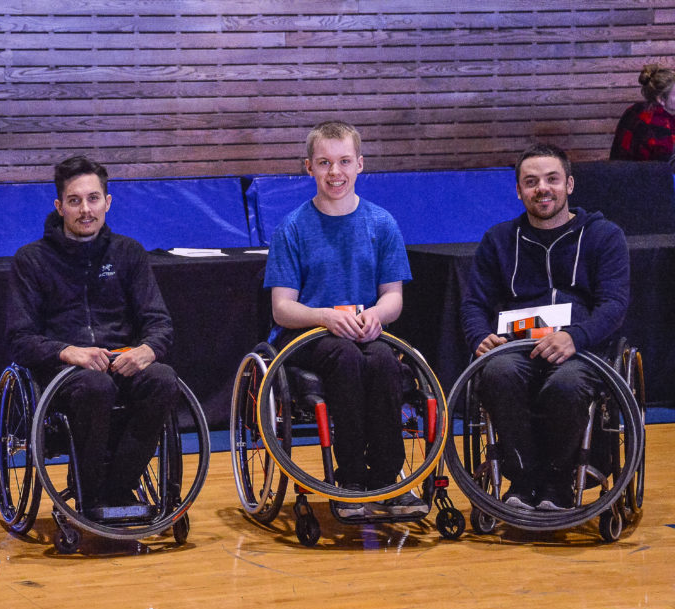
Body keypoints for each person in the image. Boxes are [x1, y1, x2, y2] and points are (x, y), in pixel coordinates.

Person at [263, 120, 424, 518]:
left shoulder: (381, 223)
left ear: (360, 165)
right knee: (345, 357)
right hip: (308, 337)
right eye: (324, 163)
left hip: (364, 333)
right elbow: (282, 308)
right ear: (309, 168)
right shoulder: (293, 227)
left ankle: (389, 479)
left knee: (385, 361)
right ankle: (350, 477)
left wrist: (375, 316)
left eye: (344, 162)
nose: (335, 172)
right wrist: (325, 317)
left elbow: (393, 298)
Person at [460, 143, 630, 510]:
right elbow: (474, 303)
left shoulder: (604, 236)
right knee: (498, 373)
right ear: (519, 190)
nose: (542, 188)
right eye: (531, 181)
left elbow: (614, 305)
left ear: (569, 184)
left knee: (567, 385)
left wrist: (575, 337)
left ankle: (556, 482)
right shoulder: (498, 240)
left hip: (579, 349)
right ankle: (523, 479)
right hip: (517, 346)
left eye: (552, 179)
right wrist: (478, 336)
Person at [6, 155, 178, 516]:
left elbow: (160, 322)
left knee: (163, 379)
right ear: (59, 206)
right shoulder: (31, 260)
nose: (86, 210)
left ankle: (116, 490)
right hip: (65, 373)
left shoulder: (128, 252)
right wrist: (69, 352)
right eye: (74, 201)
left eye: (93, 199)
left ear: (108, 202)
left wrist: (148, 350)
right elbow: (19, 338)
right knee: (95, 387)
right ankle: (92, 496)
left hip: (123, 361)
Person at [610, 64, 675, 166]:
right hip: (643, 178)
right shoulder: (659, 127)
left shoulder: (634, 110)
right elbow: (667, 169)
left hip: (617, 175)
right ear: (661, 99)